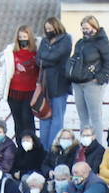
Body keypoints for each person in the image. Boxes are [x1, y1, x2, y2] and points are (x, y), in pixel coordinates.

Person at [69, 15, 109, 135]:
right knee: (83, 119)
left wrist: (100, 78)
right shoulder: (80, 43)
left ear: (95, 27)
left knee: (95, 118)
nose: (84, 31)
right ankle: (84, 147)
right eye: (83, 28)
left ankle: (98, 147)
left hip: (92, 84)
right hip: (78, 83)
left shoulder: (102, 42)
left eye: (87, 28)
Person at [35, 18, 72, 149]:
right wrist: (46, 60)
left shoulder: (66, 39)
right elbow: (38, 58)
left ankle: (53, 148)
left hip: (60, 84)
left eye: (51, 28)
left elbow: (57, 55)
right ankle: (43, 149)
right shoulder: (44, 41)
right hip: (45, 85)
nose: (49, 31)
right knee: (44, 116)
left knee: (57, 118)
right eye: (47, 29)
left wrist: (45, 60)